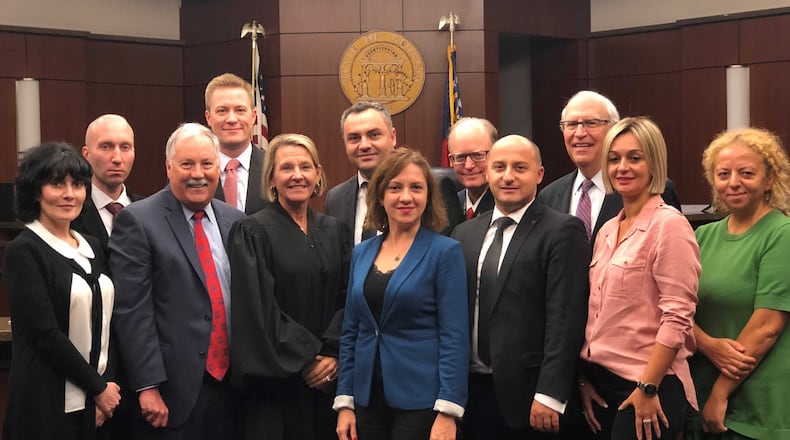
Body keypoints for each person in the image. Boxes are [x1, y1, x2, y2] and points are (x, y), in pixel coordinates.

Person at [108, 123, 245, 439]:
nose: (198, 173)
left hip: (233, 388)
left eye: (207, 164)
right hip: (172, 392)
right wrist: (148, 385)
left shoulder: (235, 221)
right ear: (169, 167)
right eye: (187, 164)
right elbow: (132, 311)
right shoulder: (138, 221)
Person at [452, 135, 590, 439]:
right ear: (488, 172)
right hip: (471, 392)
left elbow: (565, 318)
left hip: (532, 397)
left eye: (520, 167)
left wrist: (550, 393)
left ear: (539, 175)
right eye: (499, 167)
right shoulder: (464, 234)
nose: (508, 176)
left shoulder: (562, 230)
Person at [334, 148, 469, 440]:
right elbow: (351, 331)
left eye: (416, 187)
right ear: (380, 196)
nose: (406, 197)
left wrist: (448, 410)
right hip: (367, 398)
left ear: (428, 197)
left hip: (422, 401)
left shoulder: (445, 252)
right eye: (395, 187)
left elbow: (454, 336)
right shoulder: (362, 252)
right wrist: (345, 400)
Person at [579, 117, 700, 440]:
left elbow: (678, 317)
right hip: (602, 383)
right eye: (614, 158)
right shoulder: (607, 229)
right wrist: (584, 379)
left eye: (635, 157)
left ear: (654, 162)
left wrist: (648, 386)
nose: (623, 167)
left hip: (650, 384)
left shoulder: (669, 226)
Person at [228, 133, 351, 439]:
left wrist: (332, 355)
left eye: (306, 167)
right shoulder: (252, 231)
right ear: (271, 178)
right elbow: (257, 308)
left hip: (329, 388)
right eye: (286, 168)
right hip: (277, 390)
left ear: (318, 174)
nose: (297, 175)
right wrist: (309, 359)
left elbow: (349, 297)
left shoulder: (334, 230)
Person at [2, 143, 121, 439]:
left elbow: (106, 324)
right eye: (57, 184)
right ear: (35, 191)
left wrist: (103, 388)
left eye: (78, 184)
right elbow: (44, 334)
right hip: (45, 402)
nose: (70, 194)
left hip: (94, 403)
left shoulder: (92, 245)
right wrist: (98, 387)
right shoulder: (24, 251)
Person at [687, 127, 790, 439]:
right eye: (723, 173)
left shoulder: (781, 234)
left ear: (769, 179)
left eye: (746, 173)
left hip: (756, 407)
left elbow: (767, 326)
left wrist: (720, 394)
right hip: (698, 392)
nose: (733, 182)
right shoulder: (701, 236)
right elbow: (676, 309)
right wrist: (708, 344)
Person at [538, 90, 681, 243]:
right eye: (572, 124)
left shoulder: (650, 187)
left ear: (614, 128)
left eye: (591, 123)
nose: (580, 133)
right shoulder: (549, 197)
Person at [325, 101, 397, 244]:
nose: (364, 145)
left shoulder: (422, 192)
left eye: (374, 135)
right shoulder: (335, 199)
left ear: (393, 137)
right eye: (354, 138)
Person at [72, 114, 142, 250]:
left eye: (125, 147)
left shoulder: (151, 212)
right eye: (106, 147)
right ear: (86, 154)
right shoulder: (70, 213)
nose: (117, 158)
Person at [205, 72, 268, 214]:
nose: (232, 119)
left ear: (253, 116)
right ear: (208, 118)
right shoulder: (190, 172)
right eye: (222, 111)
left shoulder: (273, 169)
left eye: (240, 110)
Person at [447, 117, 497, 220]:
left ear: (496, 154)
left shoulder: (505, 206)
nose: (468, 165)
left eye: (478, 155)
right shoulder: (446, 208)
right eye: (460, 157)